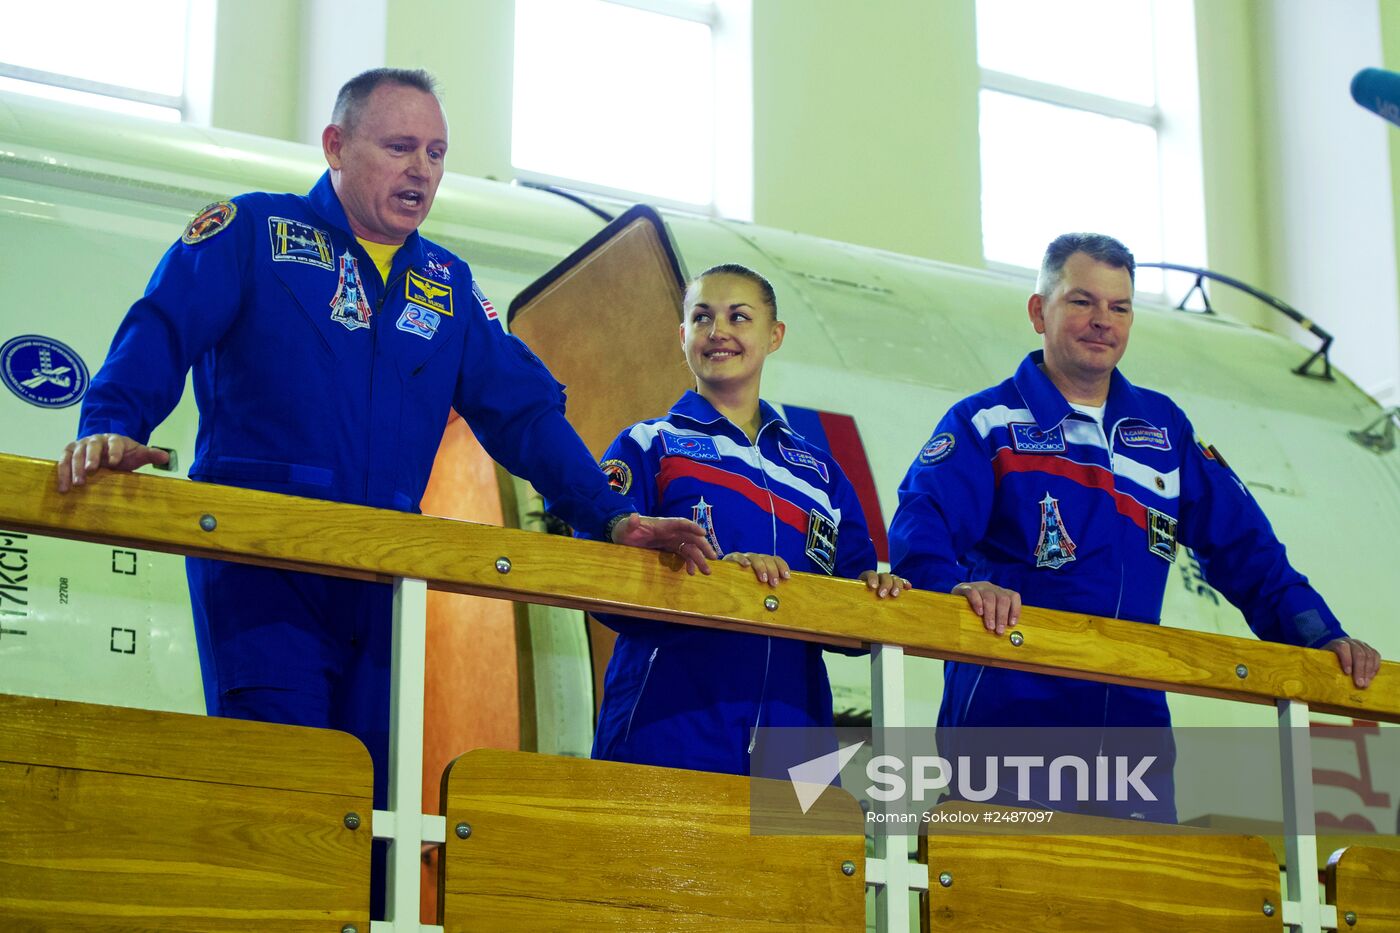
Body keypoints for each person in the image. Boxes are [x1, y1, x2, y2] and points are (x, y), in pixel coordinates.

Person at [55, 68, 715, 810]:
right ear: (336, 145)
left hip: (387, 576)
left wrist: (610, 514)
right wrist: (110, 426)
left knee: (369, 805)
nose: (422, 170)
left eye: (436, 152)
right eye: (401, 146)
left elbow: (524, 415)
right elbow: (162, 326)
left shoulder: (448, 284)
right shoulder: (250, 233)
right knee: (286, 789)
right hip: (262, 564)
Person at [890, 232, 1380, 820]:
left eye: (1119, 307)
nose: (1102, 321)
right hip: (1009, 725)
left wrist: (1320, 636)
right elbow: (923, 521)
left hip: (1134, 740)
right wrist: (954, 589)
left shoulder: (1164, 430)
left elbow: (1248, 549)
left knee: (1135, 905)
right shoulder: (987, 423)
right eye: (1081, 301)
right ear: (1038, 311)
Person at [584, 263, 909, 776]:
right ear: (683, 336)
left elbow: (851, 596)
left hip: (795, 734)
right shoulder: (648, 444)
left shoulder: (819, 471)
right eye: (702, 318)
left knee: (787, 859)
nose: (719, 333)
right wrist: (717, 580)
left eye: (739, 317)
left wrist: (873, 586)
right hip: (668, 721)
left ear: (774, 335)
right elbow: (594, 566)